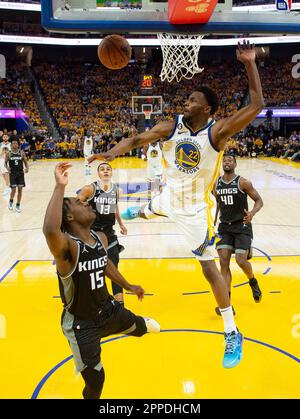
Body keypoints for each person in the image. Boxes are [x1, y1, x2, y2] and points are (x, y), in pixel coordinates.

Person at [88, 41, 264, 369]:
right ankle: (136, 211)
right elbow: (137, 139)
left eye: (193, 99)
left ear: (208, 109)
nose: (187, 102)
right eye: (187, 98)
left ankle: (231, 330)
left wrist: (250, 63)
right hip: (170, 195)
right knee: (152, 207)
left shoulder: (218, 132)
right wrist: (111, 153)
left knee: (209, 268)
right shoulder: (171, 127)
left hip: (196, 210)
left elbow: (256, 104)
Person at [43, 162, 160, 399]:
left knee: (140, 328)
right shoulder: (67, 248)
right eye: (79, 203)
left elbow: (106, 264)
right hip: (82, 324)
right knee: (97, 381)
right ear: (69, 216)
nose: (85, 202)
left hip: (108, 310)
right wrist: (59, 186)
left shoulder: (100, 237)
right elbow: (49, 229)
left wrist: (128, 285)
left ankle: (135, 323)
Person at [213, 154, 263, 316]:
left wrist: (252, 213)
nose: (227, 162)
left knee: (241, 260)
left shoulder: (243, 182)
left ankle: (253, 281)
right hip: (225, 228)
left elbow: (259, 201)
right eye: (225, 161)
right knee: (223, 262)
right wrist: (212, 223)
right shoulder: (216, 184)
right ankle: (227, 304)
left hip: (241, 226)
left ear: (235, 164)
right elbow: (217, 205)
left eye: (230, 161)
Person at [77, 162, 127, 305]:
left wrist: (121, 224)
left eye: (108, 169)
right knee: (93, 270)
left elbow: (115, 207)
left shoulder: (116, 190)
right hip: (92, 235)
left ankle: (120, 306)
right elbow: (75, 205)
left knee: (114, 270)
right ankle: (93, 302)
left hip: (109, 233)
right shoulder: (90, 189)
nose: (105, 171)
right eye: (102, 169)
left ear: (111, 172)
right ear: (98, 173)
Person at [5, 139, 29, 212]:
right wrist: (7, 168)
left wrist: (27, 168)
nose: (14, 144)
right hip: (12, 173)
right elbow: (5, 163)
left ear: (18, 145)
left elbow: (25, 162)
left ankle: (18, 205)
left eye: (16, 143)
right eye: (13, 143)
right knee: (14, 189)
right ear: (11, 145)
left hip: (20, 173)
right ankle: (11, 201)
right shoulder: (9, 153)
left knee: (20, 190)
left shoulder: (21, 153)